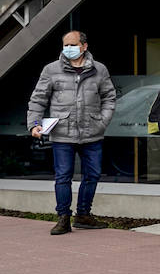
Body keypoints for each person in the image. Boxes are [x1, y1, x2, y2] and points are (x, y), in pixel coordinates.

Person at [27, 31, 117, 235]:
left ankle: (83, 215)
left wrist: (102, 121)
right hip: (62, 134)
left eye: (72, 45)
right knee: (63, 177)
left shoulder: (99, 69)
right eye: (65, 45)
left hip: (92, 133)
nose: (68, 48)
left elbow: (109, 97)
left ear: (84, 46)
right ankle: (63, 218)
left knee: (92, 175)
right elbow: (38, 99)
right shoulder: (51, 69)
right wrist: (35, 124)